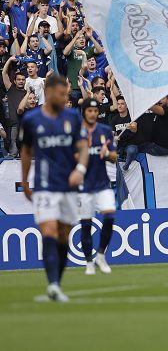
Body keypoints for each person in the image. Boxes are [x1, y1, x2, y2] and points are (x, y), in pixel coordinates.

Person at [19, 74, 89, 302]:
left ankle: (56, 283)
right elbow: (26, 152)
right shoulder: (31, 119)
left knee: (63, 236)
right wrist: (26, 181)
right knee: (48, 230)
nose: (64, 98)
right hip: (45, 186)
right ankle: (52, 286)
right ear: (47, 92)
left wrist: (80, 169)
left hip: (68, 187)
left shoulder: (72, 117)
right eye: (61, 94)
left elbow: (83, 147)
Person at [76, 97, 118, 275]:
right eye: (89, 111)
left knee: (109, 216)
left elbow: (115, 158)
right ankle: (88, 263)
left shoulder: (105, 130)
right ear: (84, 112)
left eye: (95, 111)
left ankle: (101, 255)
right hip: (84, 186)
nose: (93, 114)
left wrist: (107, 153)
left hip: (102, 183)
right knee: (86, 225)